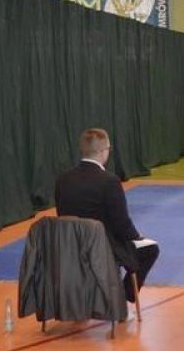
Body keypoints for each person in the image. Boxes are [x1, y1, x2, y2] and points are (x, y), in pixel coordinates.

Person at [55, 128, 159, 309]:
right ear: (103, 151)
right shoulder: (109, 181)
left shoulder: (62, 179)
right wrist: (137, 236)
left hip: (69, 246)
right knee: (151, 249)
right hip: (101, 248)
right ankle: (123, 298)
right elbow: (121, 224)